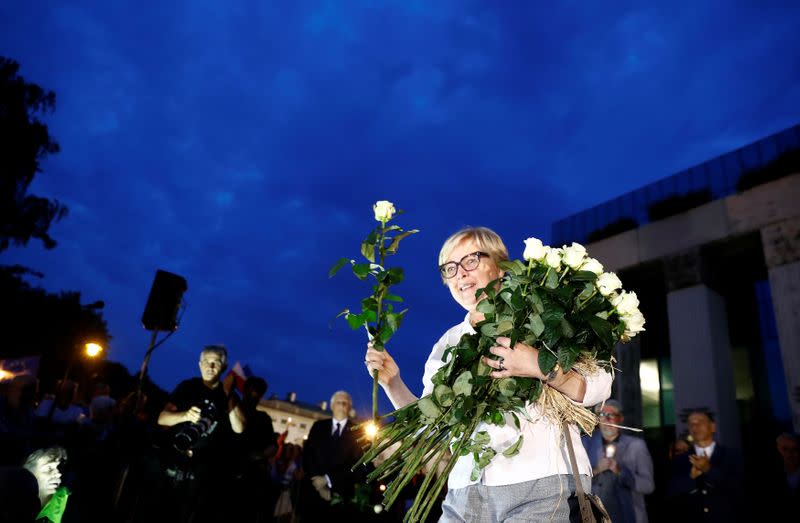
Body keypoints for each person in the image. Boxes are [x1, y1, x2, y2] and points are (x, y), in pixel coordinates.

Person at [365, 226, 613, 521]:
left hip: (541, 485)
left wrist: (537, 365)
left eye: (471, 260)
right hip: (464, 493)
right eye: (450, 268)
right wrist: (393, 383)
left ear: (500, 266)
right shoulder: (448, 344)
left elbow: (599, 384)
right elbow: (433, 428)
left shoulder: (540, 315)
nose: (460, 274)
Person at [155, 344, 246, 523]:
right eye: (206, 361)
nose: (210, 367)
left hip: (204, 467)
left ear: (224, 367)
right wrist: (185, 415)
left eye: (216, 363)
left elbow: (240, 427)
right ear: (199, 364)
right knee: (162, 510)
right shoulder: (188, 386)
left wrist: (228, 395)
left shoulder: (228, 394)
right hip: (175, 458)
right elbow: (162, 418)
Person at [582, 399, 654, 523]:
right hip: (597, 516)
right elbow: (576, 483)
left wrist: (620, 471)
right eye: (602, 415)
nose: (606, 419)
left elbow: (648, 486)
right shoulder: (585, 443)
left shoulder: (636, 445)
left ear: (621, 419)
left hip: (628, 515)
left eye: (612, 415)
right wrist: (597, 470)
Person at [666, 409, 743, 522]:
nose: (695, 426)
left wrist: (709, 470)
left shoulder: (733, 456)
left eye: (700, 422)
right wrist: (691, 478)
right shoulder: (680, 460)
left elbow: (739, 489)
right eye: (691, 423)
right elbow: (671, 494)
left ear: (713, 427)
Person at [302, 390, 367, 519]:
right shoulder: (318, 426)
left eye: (345, 403)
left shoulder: (358, 432)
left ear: (349, 407)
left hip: (341, 494)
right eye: (338, 402)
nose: (342, 406)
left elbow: (357, 464)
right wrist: (316, 479)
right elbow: (308, 454)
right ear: (332, 406)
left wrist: (327, 479)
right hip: (313, 491)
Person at [231, 375, 278, 522]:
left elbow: (273, 445)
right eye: (252, 392)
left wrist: (260, 455)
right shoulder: (231, 409)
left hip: (252, 478)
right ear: (244, 391)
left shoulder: (263, 418)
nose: (255, 396)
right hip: (227, 472)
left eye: (259, 394)